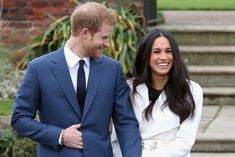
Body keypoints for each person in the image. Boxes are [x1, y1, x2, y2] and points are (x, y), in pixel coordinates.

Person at [11, 2, 142, 157]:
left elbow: (126, 122)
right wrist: (60, 136)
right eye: (104, 37)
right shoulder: (39, 68)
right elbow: (19, 119)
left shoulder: (113, 69)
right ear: (85, 33)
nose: (107, 44)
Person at [111, 29, 203, 157]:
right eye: (156, 52)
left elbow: (185, 142)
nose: (164, 57)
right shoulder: (129, 90)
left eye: (169, 51)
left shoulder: (191, 90)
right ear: (146, 56)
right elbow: (118, 139)